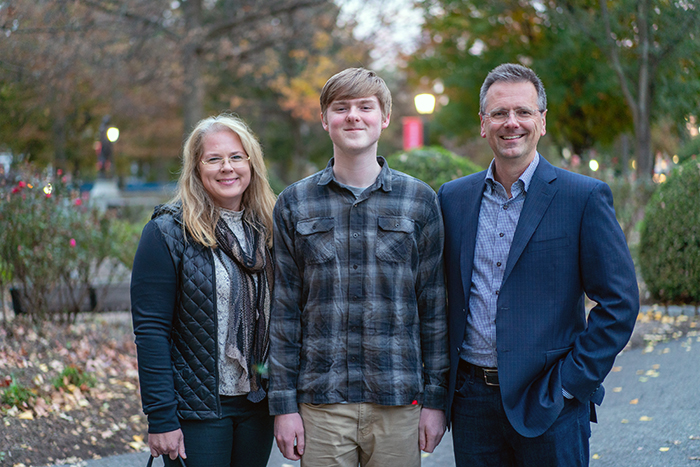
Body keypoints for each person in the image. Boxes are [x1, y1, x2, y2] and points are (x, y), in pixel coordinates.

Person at [438, 63, 640, 467]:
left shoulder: (582, 197)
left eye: (523, 112)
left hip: (550, 402)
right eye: (499, 113)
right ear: (483, 124)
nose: (511, 123)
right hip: (472, 403)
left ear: (541, 122)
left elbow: (619, 302)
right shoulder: (452, 199)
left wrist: (572, 384)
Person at [269, 67, 449, 467]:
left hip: (399, 400)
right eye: (341, 107)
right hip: (320, 403)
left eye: (365, 107)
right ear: (324, 119)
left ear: (384, 118)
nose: (353, 116)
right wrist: (283, 406)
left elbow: (434, 309)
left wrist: (436, 401)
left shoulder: (419, 202)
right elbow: (282, 313)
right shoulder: (294, 203)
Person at [130, 114, 277, 467]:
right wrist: (161, 418)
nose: (227, 168)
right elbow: (151, 332)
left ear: (252, 164)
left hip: (259, 405)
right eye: (214, 159)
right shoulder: (168, 232)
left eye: (236, 157)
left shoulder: (269, 229)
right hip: (197, 411)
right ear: (196, 168)